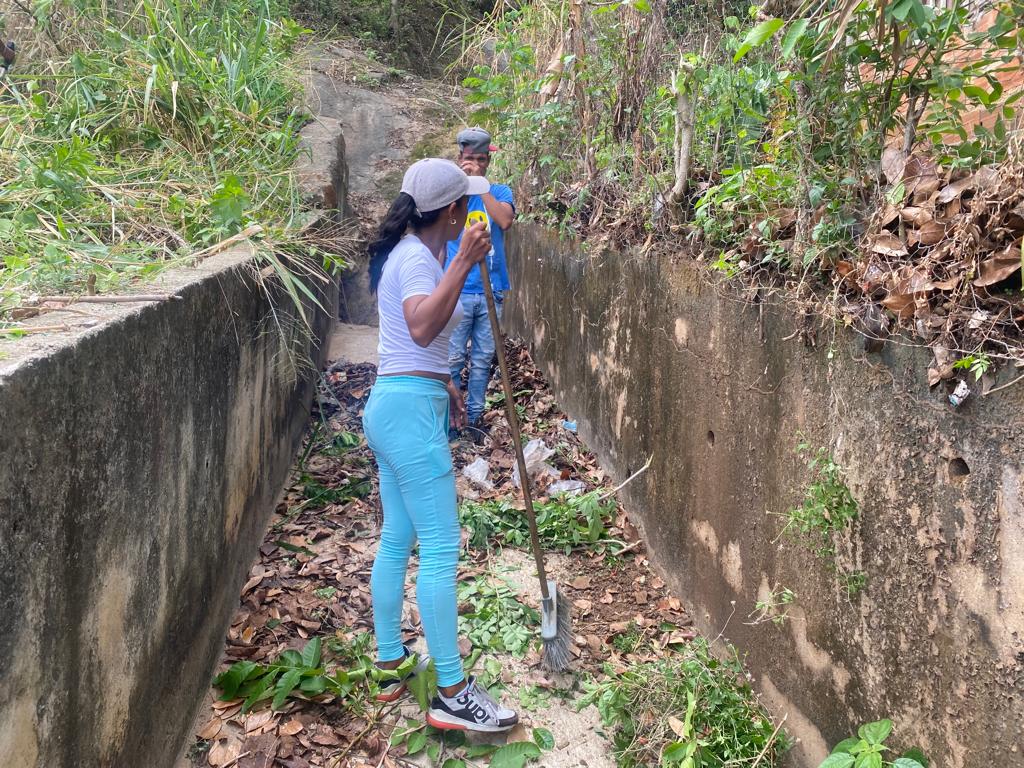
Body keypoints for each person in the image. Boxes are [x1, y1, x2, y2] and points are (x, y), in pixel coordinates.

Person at [362, 157, 519, 733]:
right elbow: (423, 325)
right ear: (453, 211)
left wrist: (447, 382)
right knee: (441, 546)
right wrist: (467, 261)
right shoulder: (418, 259)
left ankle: (388, 663)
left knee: (398, 537)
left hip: (397, 403)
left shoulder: (413, 255)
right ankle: (451, 691)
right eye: (465, 204)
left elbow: (413, 344)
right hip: (407, 416)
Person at [444, 127, 516, 442]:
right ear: (459, 158)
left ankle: (473, 419)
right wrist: (461, 187)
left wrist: (481, 186)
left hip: (491, 291)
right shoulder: (449, 195)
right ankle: (450, 420)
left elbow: (505, 221)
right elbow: (443, 226)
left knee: (483, 358)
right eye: (468, 159)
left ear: (488, 162)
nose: (474, 164)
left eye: (481, 160)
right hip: (457, 291)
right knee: (453, 358)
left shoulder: (499, 192)